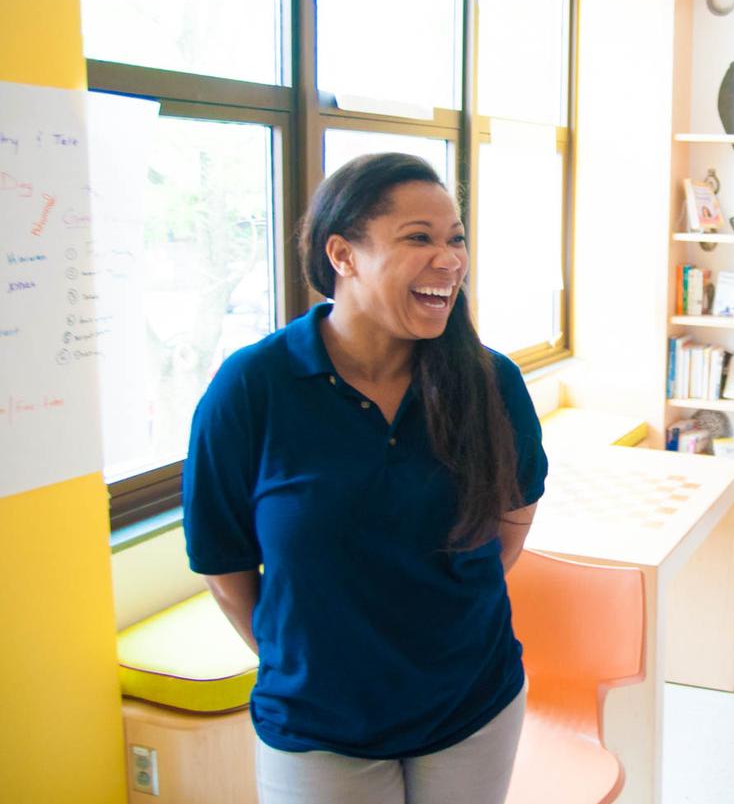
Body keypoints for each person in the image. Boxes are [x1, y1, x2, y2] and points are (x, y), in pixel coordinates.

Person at [183, 152, 547, 804]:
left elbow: (510, 523)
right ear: (343, 254)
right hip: (318, 723)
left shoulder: (491, 382)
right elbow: (222, 560)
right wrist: (303, 656)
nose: (450, 260)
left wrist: (437, 624)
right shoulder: (253, 388)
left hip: (472, 704)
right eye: (419, 238)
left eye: (456, 238)